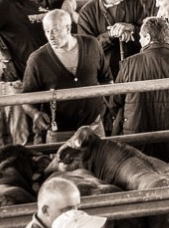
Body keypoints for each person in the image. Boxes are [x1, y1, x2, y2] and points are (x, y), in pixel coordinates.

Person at [112, 17, 169, 163]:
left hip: (136, 146)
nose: (140, 41)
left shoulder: (127, 65)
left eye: (140, 37)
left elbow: (114, 103)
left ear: (147, 37)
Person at [22, 9, 113, 143]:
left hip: (94, 127)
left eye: (55, 30)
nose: (50, 36)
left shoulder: (92, 45)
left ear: (68, 28)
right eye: (47, 31)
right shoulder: (38, 59)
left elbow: (106, 79)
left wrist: (105, 110)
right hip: (60, 133)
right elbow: (26, 97)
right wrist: (35, 114)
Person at [76, 0, 148, 78]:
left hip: (136, 71)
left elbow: (149, 35)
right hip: (104, 75)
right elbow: (86, 50)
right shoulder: (87, 13)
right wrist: (110, 35)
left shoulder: (135, 3)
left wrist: (132, 28)